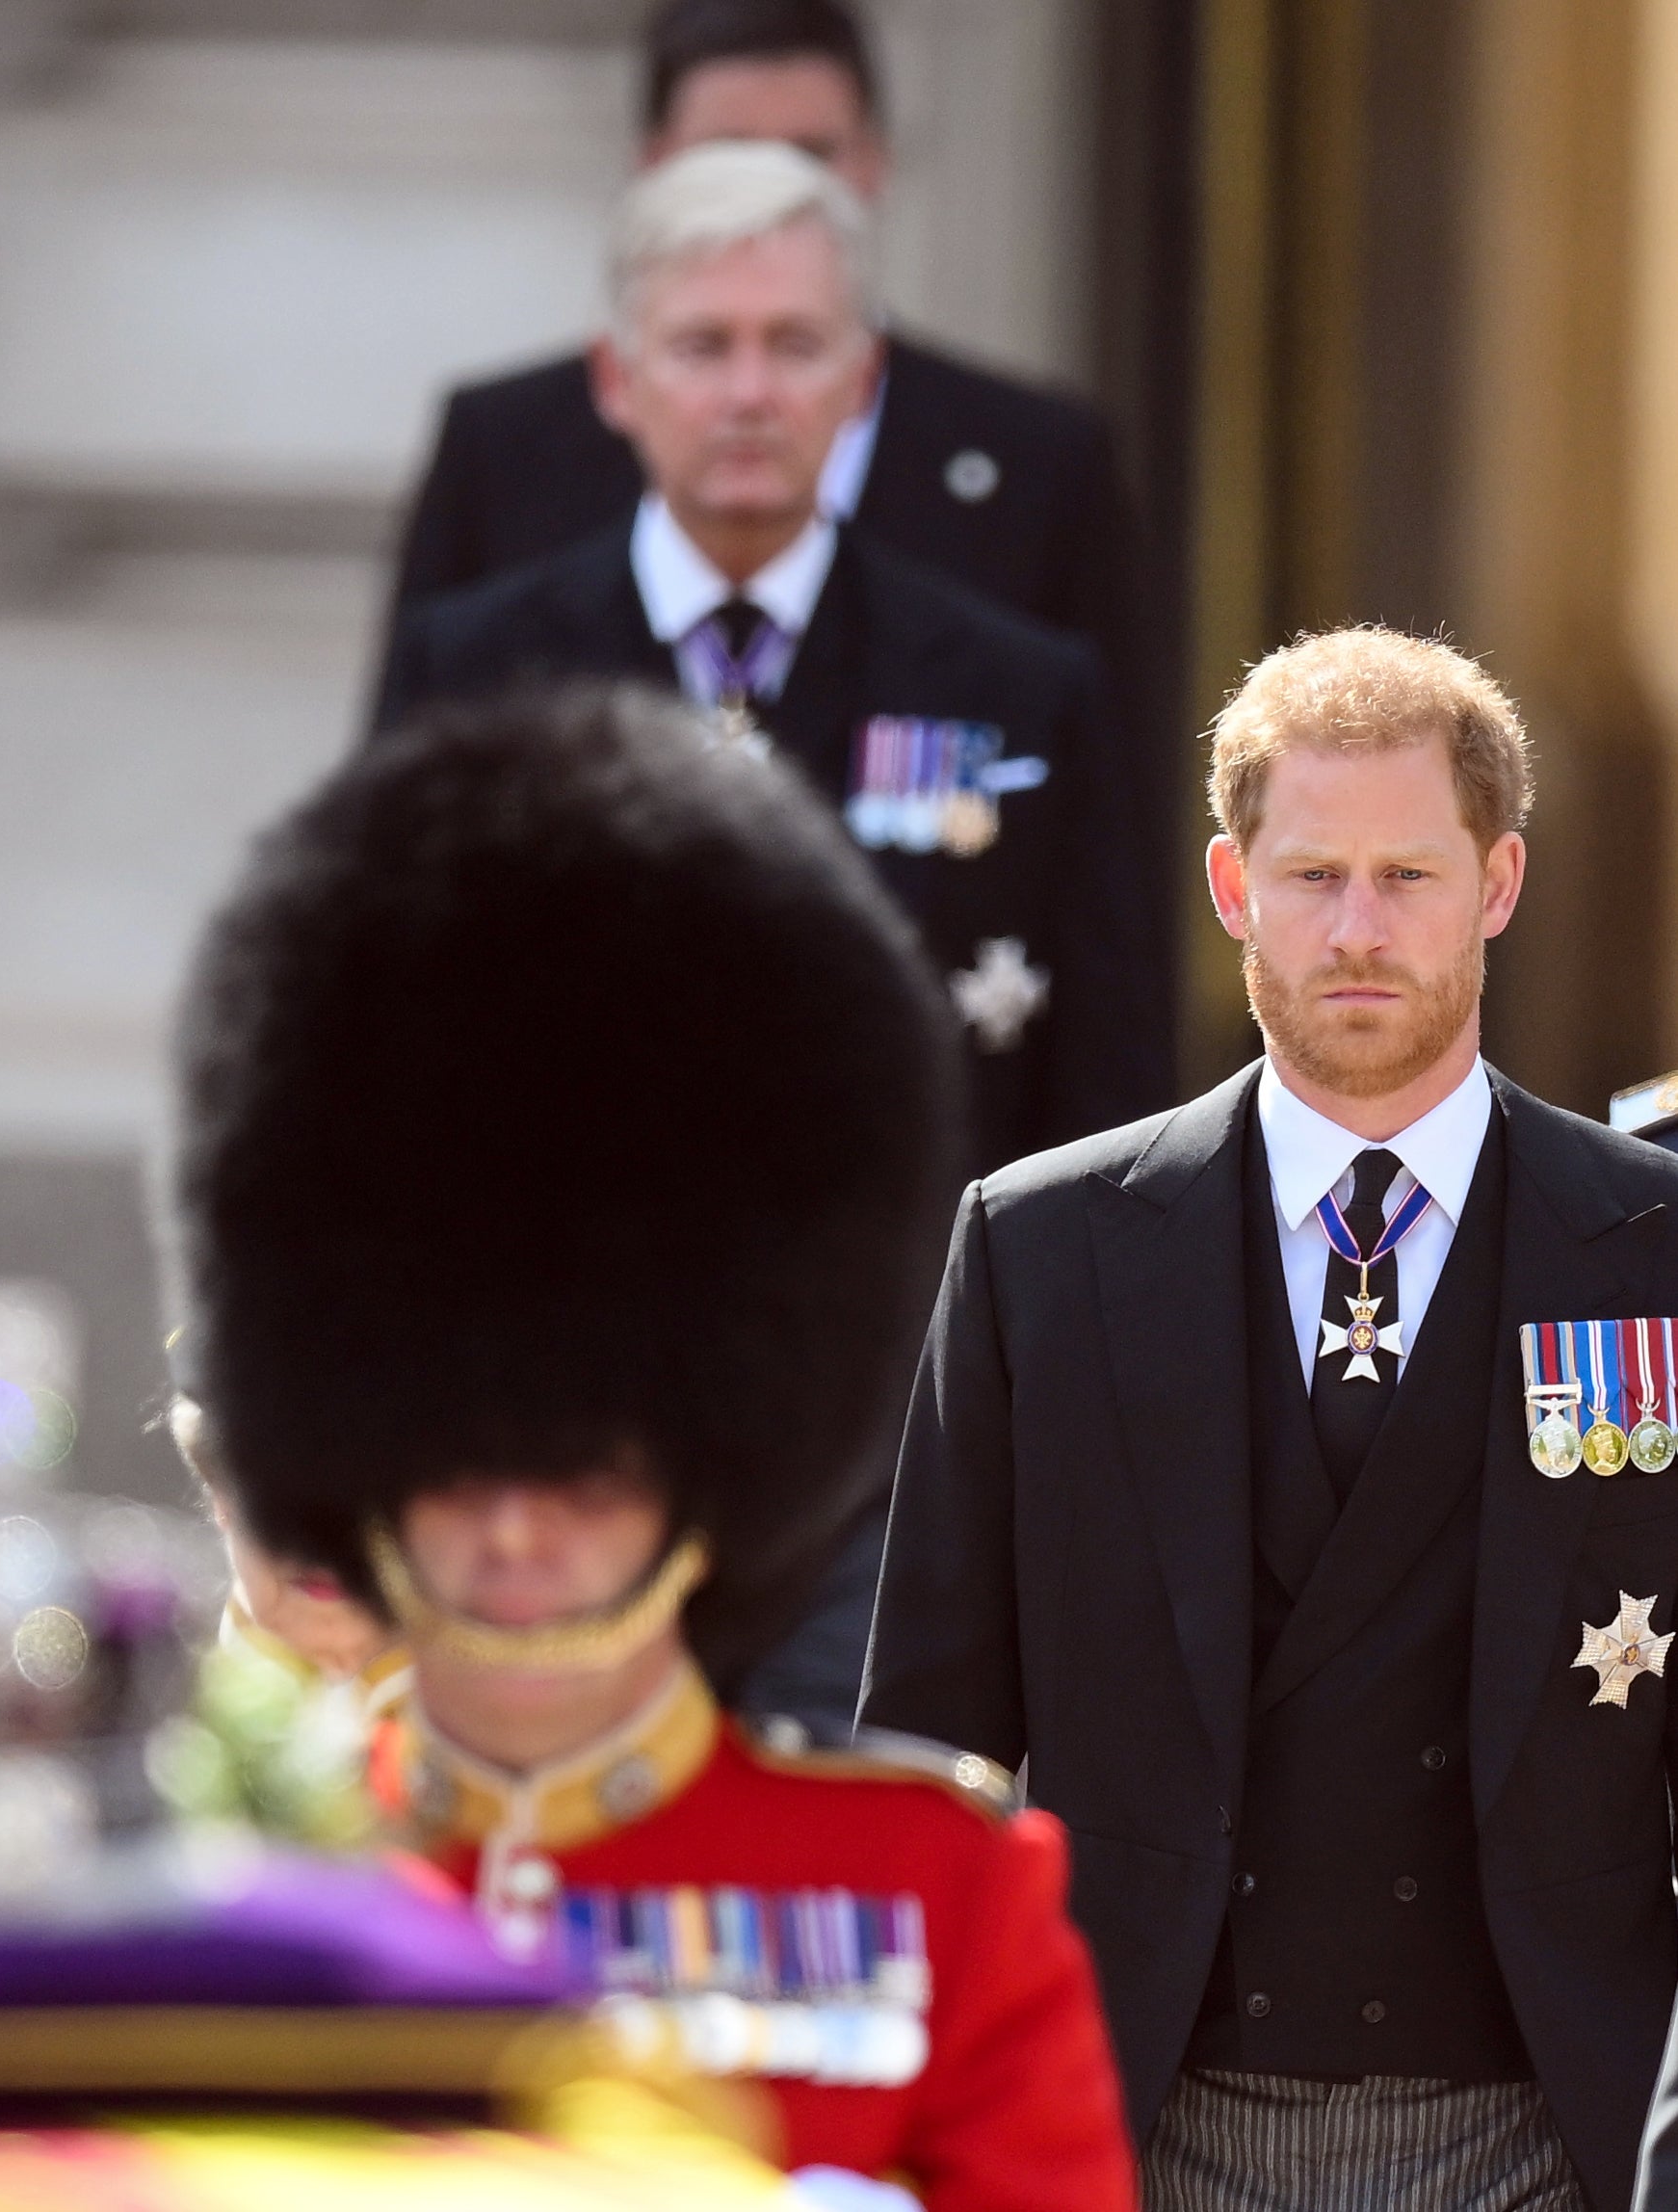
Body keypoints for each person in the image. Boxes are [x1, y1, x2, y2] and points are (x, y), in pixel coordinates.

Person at [170, 680, 1136, 2208]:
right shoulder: (225, 1882)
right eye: (452, 1460)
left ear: (710, 1464)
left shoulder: (938, 1902)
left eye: (582, 1473)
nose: (511, 1531)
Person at [865, 628, 1678, 2209]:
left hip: (1553, 2130)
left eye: (1407, 875)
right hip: (1138, 2127)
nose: (1357, 930)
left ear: (1496, 884)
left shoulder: (1654, 1247)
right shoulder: (1040, 1249)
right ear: (1231, 890)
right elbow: (929, 1746)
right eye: (1309, 877)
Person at [374, 139, 1168, 1177]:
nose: (748, 393)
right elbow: (373, 1051)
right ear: (615, 379)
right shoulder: (471, 675)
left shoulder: (1020, 693)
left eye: (793, 344)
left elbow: (1106, 1100)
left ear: (860, 377)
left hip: (920, 1320)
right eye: (702, 346)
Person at [383, 0, 1141, 738]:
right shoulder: (502, 452)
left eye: (810, 154)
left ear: (874, 161)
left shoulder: (1039, 464)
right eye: (729, 155)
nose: (749, 395)